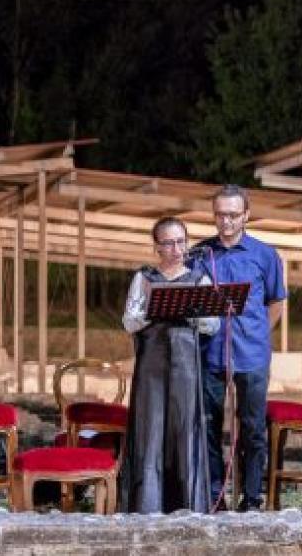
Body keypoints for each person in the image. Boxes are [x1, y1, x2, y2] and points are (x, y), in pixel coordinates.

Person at [192, 184, 287, 512]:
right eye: (220, 215)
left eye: (233, 215)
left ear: (246, 215)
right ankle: (214, 495)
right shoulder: (200, 254)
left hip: (252, 355)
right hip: (210, 353)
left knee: (252, 428)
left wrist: (257, 335)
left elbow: (276, 302)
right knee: (208, 425)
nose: (226, 221)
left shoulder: (265, 254)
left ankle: (251, 497)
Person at [119, 217, 217, 513]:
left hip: (187, 366)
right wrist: (154, 308)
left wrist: (191, 312)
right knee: (150, 430)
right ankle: (147, 505)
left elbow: (212, 325)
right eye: (169, 243)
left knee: (185, 429)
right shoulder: (144, 278)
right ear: (157, 247)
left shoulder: (199, 279)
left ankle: (187, 504)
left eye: (181, 242)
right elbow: (128, 322)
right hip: (152, 365)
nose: (176, 249)